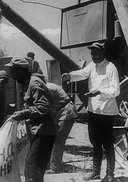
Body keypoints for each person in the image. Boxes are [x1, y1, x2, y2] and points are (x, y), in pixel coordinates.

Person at [62, 42, 120, 182]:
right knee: (95, 142)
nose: (92, 56)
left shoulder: (111, 68)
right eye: (91, 54)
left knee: (107, 143)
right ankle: (96, 172)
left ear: (102, 53)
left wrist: (99, 91)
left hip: (107, 112)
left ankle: (110, 174)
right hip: (93, 110)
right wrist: (70, 76)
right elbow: (82, 73)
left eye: (95, 53)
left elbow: (116, 90)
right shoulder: (92, 66)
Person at [5, 56, 58, 182]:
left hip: (44, 131)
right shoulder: (25, 84)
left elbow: (43, 107)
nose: (12, 75)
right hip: (37, 131)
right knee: (32, 169)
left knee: (33, 168)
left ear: (22, 71)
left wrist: (23, 114)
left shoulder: (34, 83)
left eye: (14, 72)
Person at [47, 82, 77, 173]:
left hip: (67, 112)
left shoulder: (47, 88)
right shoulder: (45, 86)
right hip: (60, 112)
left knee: (57, 139)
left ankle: (54, 168)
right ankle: (52, 164)